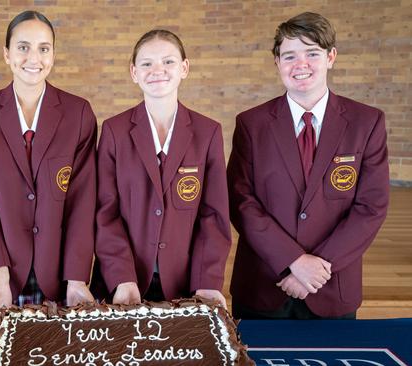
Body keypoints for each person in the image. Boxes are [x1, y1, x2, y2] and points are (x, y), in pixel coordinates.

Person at [227, 12, 389, 319]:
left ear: (330, 57)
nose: (300, 65)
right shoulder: (251, 124)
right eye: (289, 55)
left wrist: (317, 267)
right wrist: (293, 261)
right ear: (277, 62)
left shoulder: (366, 123)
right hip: (263, 284)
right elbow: (241, 202)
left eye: (312, 53)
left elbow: (371, 206)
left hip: (332, 285)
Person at [0, 10, 97, 326]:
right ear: (7, 53)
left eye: (43, 48)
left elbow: (83, 203)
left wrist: (77, 279)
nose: (33, 57)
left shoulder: (78, 113)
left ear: (53, 54)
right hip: (0, 279)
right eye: (23, 47)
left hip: (61, 283)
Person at [94, 29, 231, 307]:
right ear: (134, 72)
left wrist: (207, 280)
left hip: (185, 288)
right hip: (122, 286)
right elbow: (105, 212)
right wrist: (122, 277)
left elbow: (213, 216)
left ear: (184, 68)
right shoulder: (114, 131)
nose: (158, 70)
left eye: (168, 61)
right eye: (147, 63)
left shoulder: (208, 132)